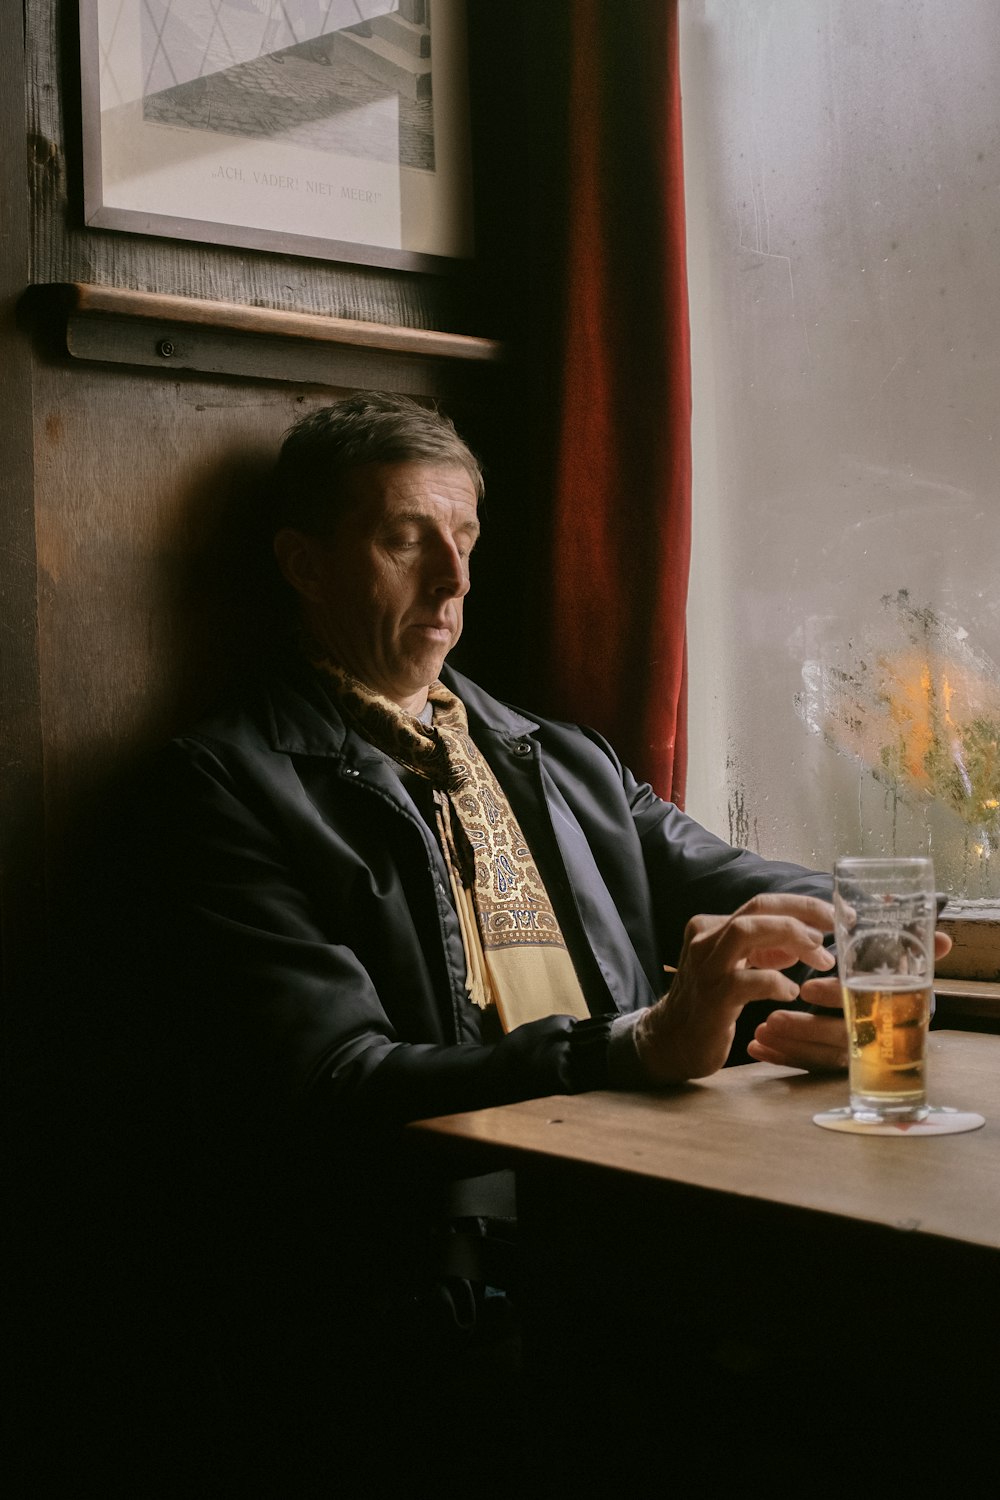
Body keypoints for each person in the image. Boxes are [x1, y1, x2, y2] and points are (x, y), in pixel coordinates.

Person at [55, 393, 941, 1486]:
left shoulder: (554, 757)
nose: (455, 582)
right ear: (305, 564)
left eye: (466, 541)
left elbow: (740, 880)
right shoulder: (226, 786)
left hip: (626, 1223)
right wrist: (637, 1045)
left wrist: (899, 931)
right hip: (426, 1281)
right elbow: (335, 1083)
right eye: (404, 541)